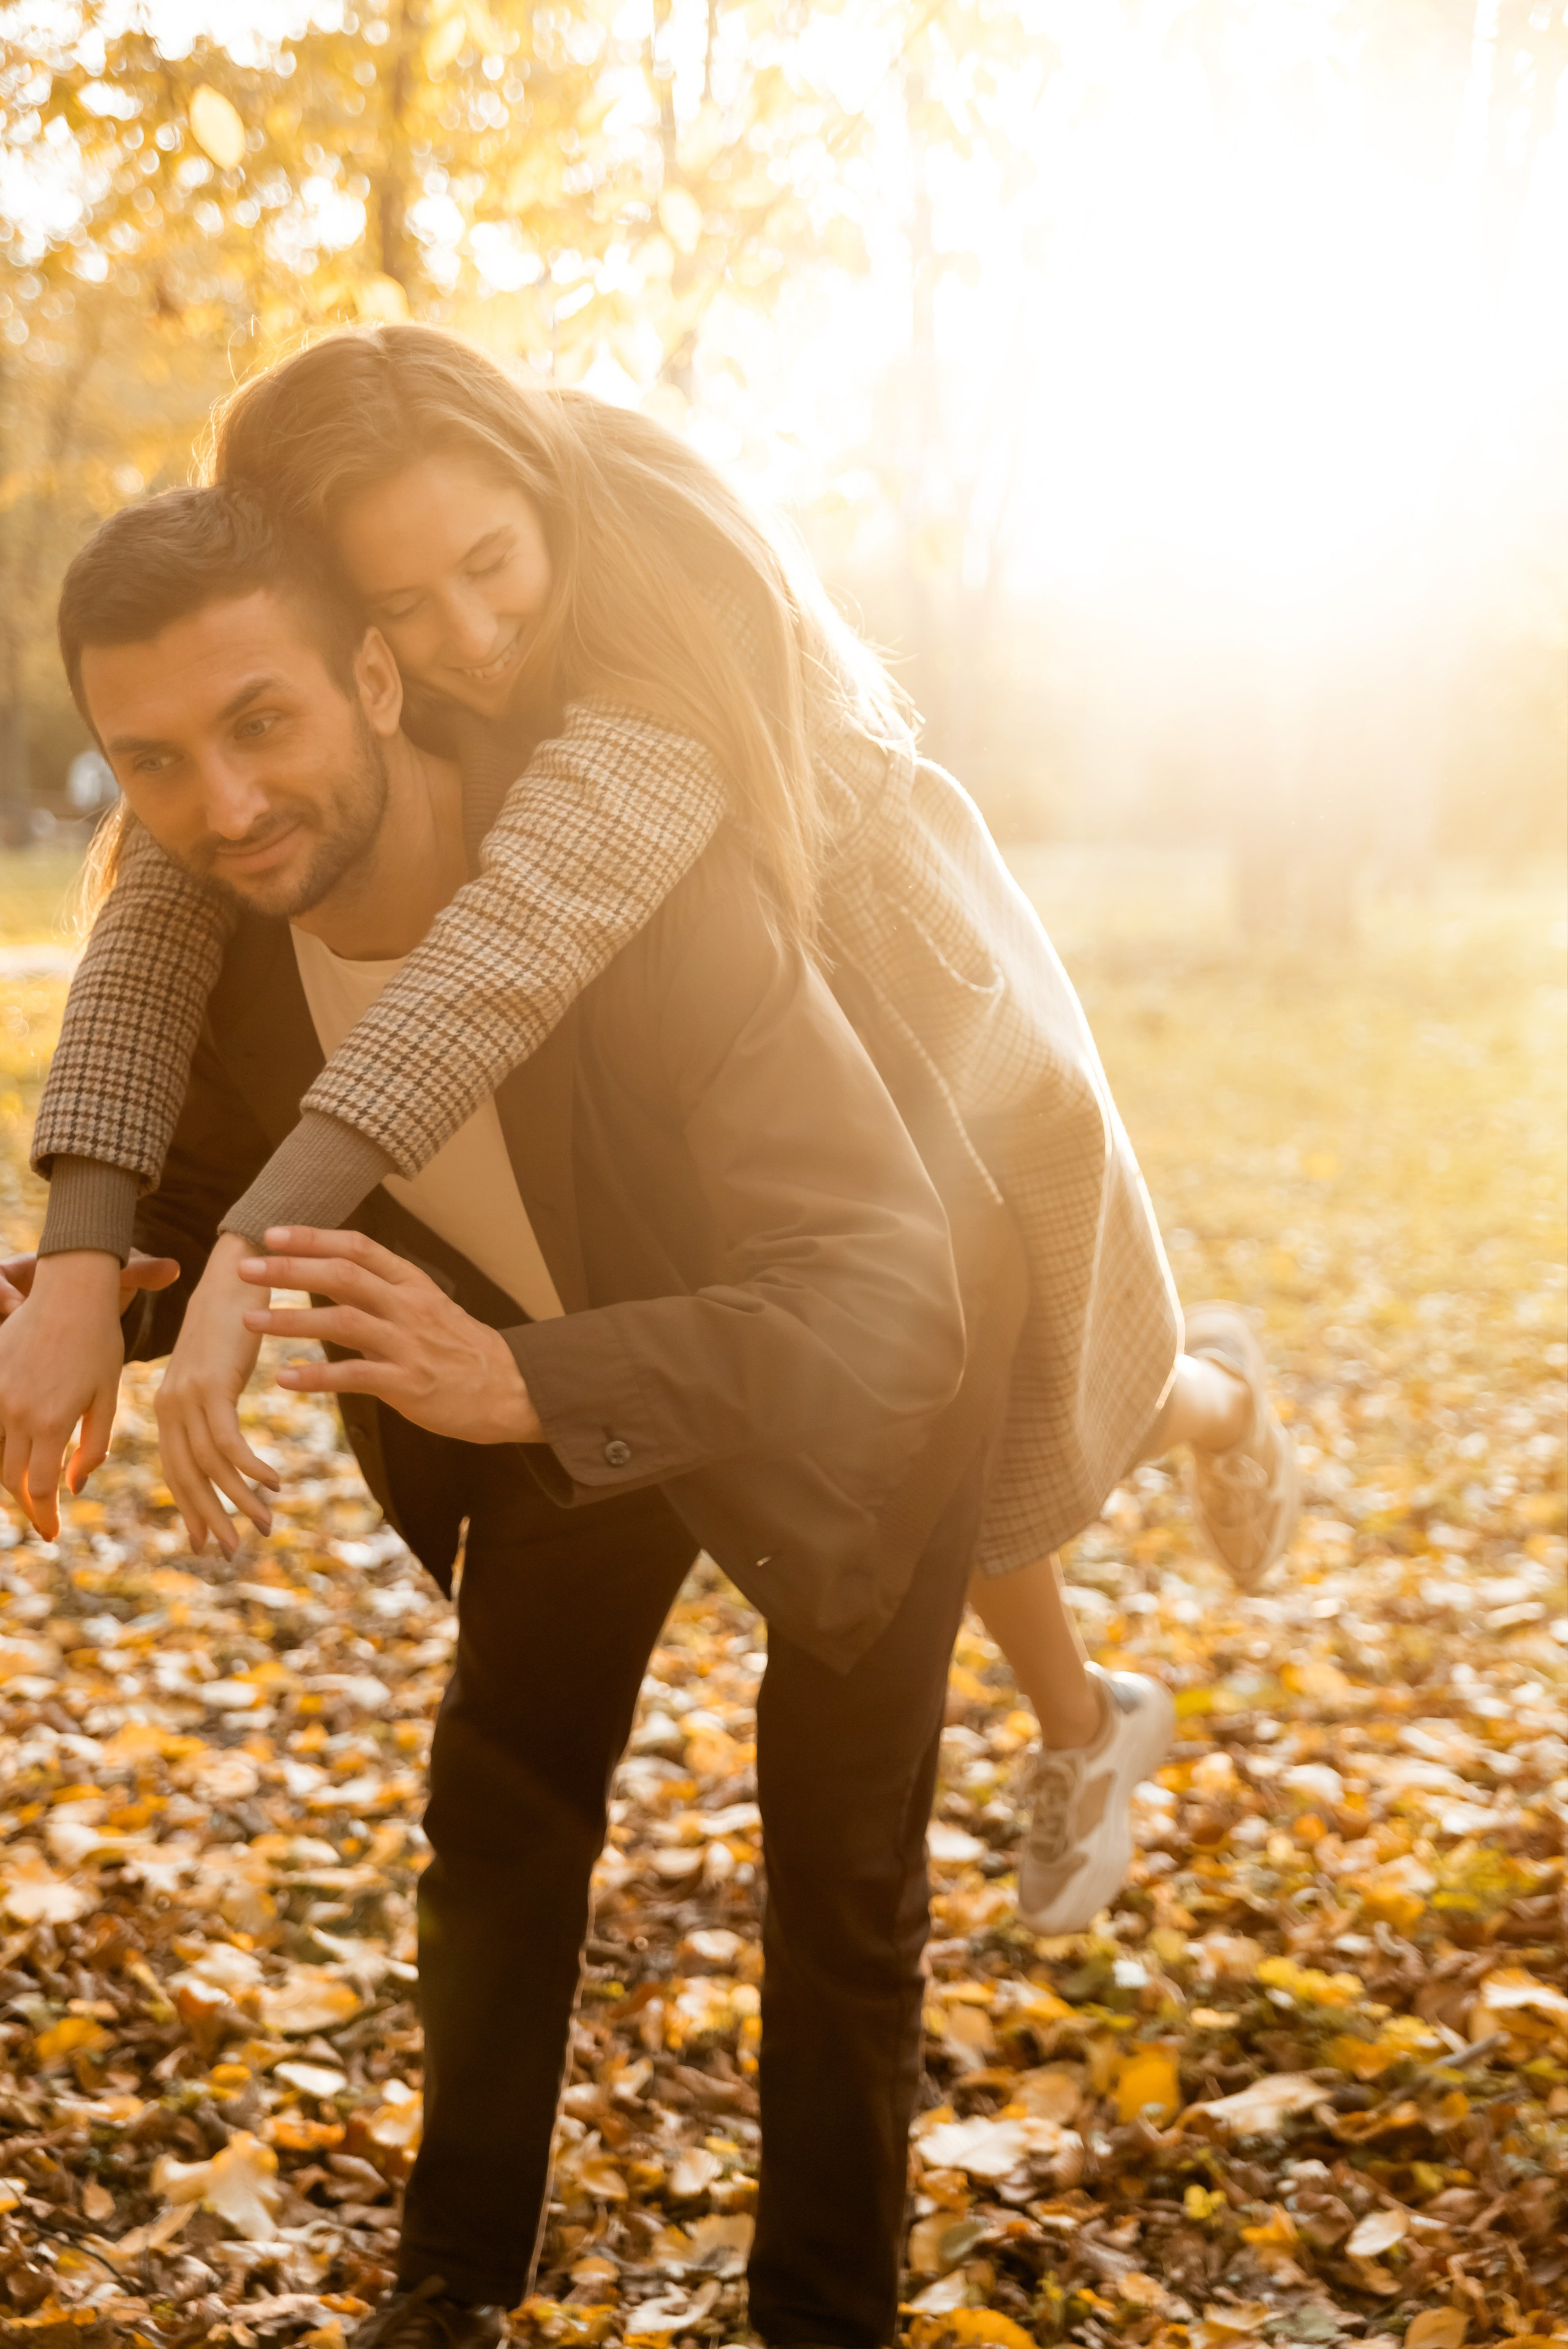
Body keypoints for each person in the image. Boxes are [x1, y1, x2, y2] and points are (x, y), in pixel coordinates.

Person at [1, 325, 1298, 1940]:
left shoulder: (661, 585)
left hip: (892, 976)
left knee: (1027, 1391)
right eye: (405, 603)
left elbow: (505, 950)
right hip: (688, 1016)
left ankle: (1219, 1412)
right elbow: (156, 911)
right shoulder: (331, 646)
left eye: (492, 567)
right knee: (918, 1429)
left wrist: (254, 1244)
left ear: (541, 487)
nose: (470, 637)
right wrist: (81, 1249)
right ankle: (1089, 1722)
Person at [44, 483, 1031, 2344]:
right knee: (499, 1821)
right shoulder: (240, 942)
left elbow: (891, 1297)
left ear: (378, 677)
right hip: (541, 1404)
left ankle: (823, 2321)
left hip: (854, 1380)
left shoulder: (646, 898)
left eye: (262, 723)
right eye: (155, 760)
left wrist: (523, 1379)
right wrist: (80, 1294)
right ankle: (446, 2291)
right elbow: (215, 1195)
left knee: (840, 1873)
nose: (223, 806)